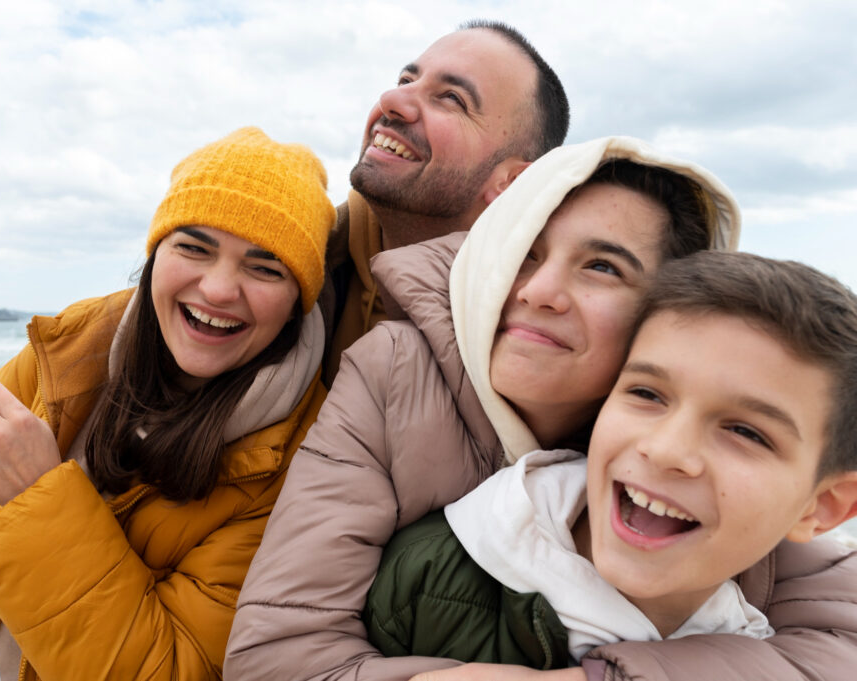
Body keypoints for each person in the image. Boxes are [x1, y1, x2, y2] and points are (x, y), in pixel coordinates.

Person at [225, 136, 857, 681]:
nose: (538, 291)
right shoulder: (396, 369)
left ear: (665, 315)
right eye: (524, 251)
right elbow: (279, 650)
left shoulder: (708, 447)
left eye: (602, 267)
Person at [0, 127, 336, 681]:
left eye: (264, 267)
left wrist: (37, 495)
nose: (218, 289)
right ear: (155, 255)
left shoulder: (300, 464)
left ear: (297, 302)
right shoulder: (88, 341)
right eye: (194, 247)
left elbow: (168, 670)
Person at [364, 251, 857, 673]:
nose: (665, 450)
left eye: (745, 432)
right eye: (646, 393)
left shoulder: (767, 647)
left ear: (823, 507)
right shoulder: (427, 573)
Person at [323, 19, 569, 381]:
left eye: (452, 98)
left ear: (513, 182)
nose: (391, 101)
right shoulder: (294, 262)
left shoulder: (538, 333)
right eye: (406, 81)